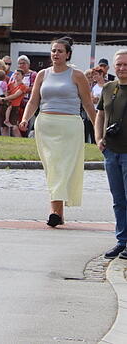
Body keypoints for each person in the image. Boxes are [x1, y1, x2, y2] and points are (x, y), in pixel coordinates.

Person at [19, 37, 97, 228]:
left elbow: (87, 104)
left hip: (70, 126)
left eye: (60, 51)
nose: (56, 54)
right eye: (53, 51)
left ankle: (55, 212)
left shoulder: (76, 75)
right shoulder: (42, 75)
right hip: (46, 125)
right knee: (53, 168)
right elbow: (34, 100)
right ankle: (57, 213)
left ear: (68, 54)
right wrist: (25, 118)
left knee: (64, 168)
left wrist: (98, 127)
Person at [95, 50, 127, 259]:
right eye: (119, 65)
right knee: (118, 199)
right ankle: (121, 241)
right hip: (111, 151)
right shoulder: (108, 88)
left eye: (126, 64)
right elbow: (100, 114)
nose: (122, 68)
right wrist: (99, 138)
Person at [1, 70, 29, 137]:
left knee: (14, 127)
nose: (16, 76)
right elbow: (5, 92)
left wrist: (3, 99)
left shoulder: (23, 86)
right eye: (15, 74)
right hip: (7, 106)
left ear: (22, 76)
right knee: (4, 127)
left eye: (18, 74)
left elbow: (15, 95)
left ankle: (20, 141)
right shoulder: (10, 84)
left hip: (15, 107)